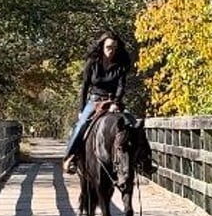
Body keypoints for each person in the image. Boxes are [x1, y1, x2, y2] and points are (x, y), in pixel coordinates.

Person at [62, 31, 157, 175]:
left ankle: (145, 161)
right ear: (102, 47)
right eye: (108, 47)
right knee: (81, 125)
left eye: (114, 48)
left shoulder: (120, 65)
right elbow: (85, 87)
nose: (111, 50)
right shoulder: (92, 63)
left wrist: (116, 103)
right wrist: (81, 109)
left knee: (135, 125)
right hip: (95, 101)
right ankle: (70, 157)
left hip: (113, 101)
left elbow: (121, 86)